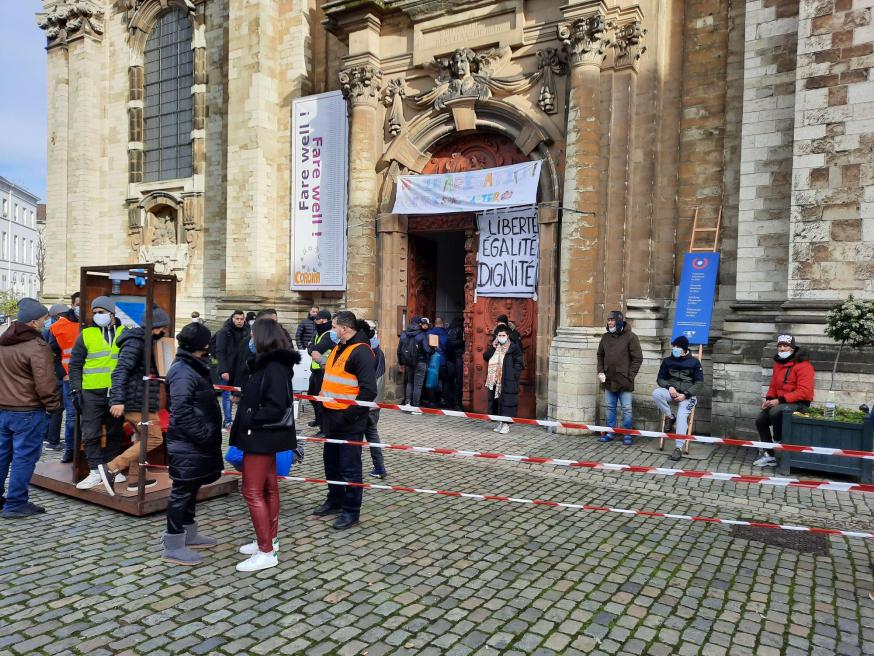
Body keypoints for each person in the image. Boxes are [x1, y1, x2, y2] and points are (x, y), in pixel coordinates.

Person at [230, 318, 299, 572]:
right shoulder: (266, 364)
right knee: (268, 488)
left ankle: (266, 551)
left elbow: (275, 405)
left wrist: (250, 418)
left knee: (252, 491)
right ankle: (269, 540)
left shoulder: (275, 367)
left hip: (261, 435)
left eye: (253, 334)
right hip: (259, 434)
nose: (250, 338)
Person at [161, 322, 224, 566]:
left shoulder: (193, 366)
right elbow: (180, 410)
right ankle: (173, 543)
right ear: (203, 345)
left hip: (196, 443)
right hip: (188, 443)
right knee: (182, 492)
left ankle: (189, 533)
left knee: (191, 489)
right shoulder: (183, 371)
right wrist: (204, 434)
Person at [311, 311, 377, 530]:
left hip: (349, 420)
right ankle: (335, 499)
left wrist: (348, 416)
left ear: (345, 328)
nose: (332, 330)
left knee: (350, 468)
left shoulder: (361, 352)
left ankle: (351, 511)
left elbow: (368, 391)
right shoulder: (340, 346)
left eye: (334, 326)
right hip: (330, 416)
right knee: (331, 463)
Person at [99, 306, 172, 495]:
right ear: (154, 326)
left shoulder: (147, 341)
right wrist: (117, 400)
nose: (164, 331)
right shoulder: (136, 342)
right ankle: (112, 468)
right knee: (153, 438)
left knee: (141, 438)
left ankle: (135, 479)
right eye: (162, 327)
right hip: (136, 402)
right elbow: (120, 371)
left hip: (143, 401)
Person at [0, 298, 60, 518]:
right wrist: (53, 406)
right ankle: (15, 503)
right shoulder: (37, 346)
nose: (47, 323)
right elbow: (45, 382)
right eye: (45, 319)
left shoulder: (3, 340)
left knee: (2, 455)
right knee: (24, 457)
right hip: (26, 411)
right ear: (34, 322)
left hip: (3, 409)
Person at [68, 296, 126, 490]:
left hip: (115, 392)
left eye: (101, 312)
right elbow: (75, 364)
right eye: (95, 313)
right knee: (90, 433)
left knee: (114, 432)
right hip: (91, 392)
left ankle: (111, 469)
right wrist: (76, 389)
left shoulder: (124, 332)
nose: (97, 315)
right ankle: (95, 471)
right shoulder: (86, 334)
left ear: (111, 313)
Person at [754, 334, 815, 468]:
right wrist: (769, 400)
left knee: (775, 412)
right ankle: (769, 455)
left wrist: (779, 400)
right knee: (761, 419)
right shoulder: (778, 364)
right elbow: (774, 386)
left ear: (792, 348)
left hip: (799, 404)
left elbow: (804, 391)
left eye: (785, 346)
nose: (782, 349)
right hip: (781, 402)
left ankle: (778, 440)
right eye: (780, 346)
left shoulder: (804, 366)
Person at [652, 335, 704, 462]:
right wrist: (669, 387)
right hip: (672, 392)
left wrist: (686, 395)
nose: (674, 349)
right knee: (657, 393)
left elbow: (699, 383)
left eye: (677, 347)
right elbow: (660, 379)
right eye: (674, 346)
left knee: (682, 415)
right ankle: (670, 417)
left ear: (684, 349)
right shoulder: (668, 361)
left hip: (688, 396)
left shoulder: (694, 362)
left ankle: (678, 448)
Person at [596, 311, 643, 445]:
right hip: (609, 379)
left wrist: (630, 376)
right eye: (608, 320)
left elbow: (638, 358)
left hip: (624, 380)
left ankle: (627, 434)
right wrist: (600, 371)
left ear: (619, 321)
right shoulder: (605, 337)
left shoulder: (631, 337)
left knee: (626, 408)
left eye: (612, 320)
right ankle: (610, 432)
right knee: (610, 407)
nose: (609, 322)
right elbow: (600, 355)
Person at [47, 300, 81, 462]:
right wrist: (62, 373)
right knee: (72, 417)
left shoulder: (90, 324)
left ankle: (81, 450)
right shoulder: (57, 327)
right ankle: (71, 449)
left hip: (93, 378)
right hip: (70, 378)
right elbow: (52, 353)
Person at [483, 324, 524, 434]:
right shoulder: (495, 346)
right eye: (499, 335)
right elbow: (486, 356)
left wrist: (514, 374)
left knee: (507, 401)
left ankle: (506, 425)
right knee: (498, 401)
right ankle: (501, 422)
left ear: (507, 335)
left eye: (503, 335)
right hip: (496, 379)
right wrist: (493, 347)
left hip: (508, 379)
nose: (501, 337)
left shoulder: (513, 347)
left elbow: (519, 362)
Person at [43, 304, 71, 452]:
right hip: (59, 374)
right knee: (57, 408)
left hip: (53, 374)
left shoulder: (48, 330)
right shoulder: (55, 330)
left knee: (52, 407)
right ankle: (53, 440)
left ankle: (47, 437)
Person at [215, 310, 249, 429]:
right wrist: (223, 370)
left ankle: (241, 419)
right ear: (232, 319)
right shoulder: (224, 332)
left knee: (242, 395)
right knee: (227, 395)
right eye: (237, 319)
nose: (239, 321)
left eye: (241, 319)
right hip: (228, 369)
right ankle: (228, 420)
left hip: (241, 370)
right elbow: (220, 352)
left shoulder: (247, 331)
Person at [364, 321, 387, 479]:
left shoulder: (367, 353)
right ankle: (379, 468)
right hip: (375, 401)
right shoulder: (378, 351)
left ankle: (352, 469)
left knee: (356, 437)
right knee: (373, 435)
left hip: (365, 401)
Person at [306, 310, 336, 433]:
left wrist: (312, 348)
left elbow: (316, 348)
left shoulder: (329, 335)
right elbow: (310, 349)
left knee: (321, 400)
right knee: (311, 396)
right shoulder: (318, 333)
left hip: (324, 372)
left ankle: (324, 428)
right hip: (315, 371)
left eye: (317, 319)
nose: (315, 321)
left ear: (323, 320)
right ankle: (319, 420)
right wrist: (312, 348)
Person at [446, 317, 465, 410]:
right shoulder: (458, 329)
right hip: (457, 358)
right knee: (458, 382)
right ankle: (457, 403)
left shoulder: (450, 329)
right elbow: (452, 343)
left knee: (452, 382)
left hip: (451, 359)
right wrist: (463, 342)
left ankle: (451, 402)